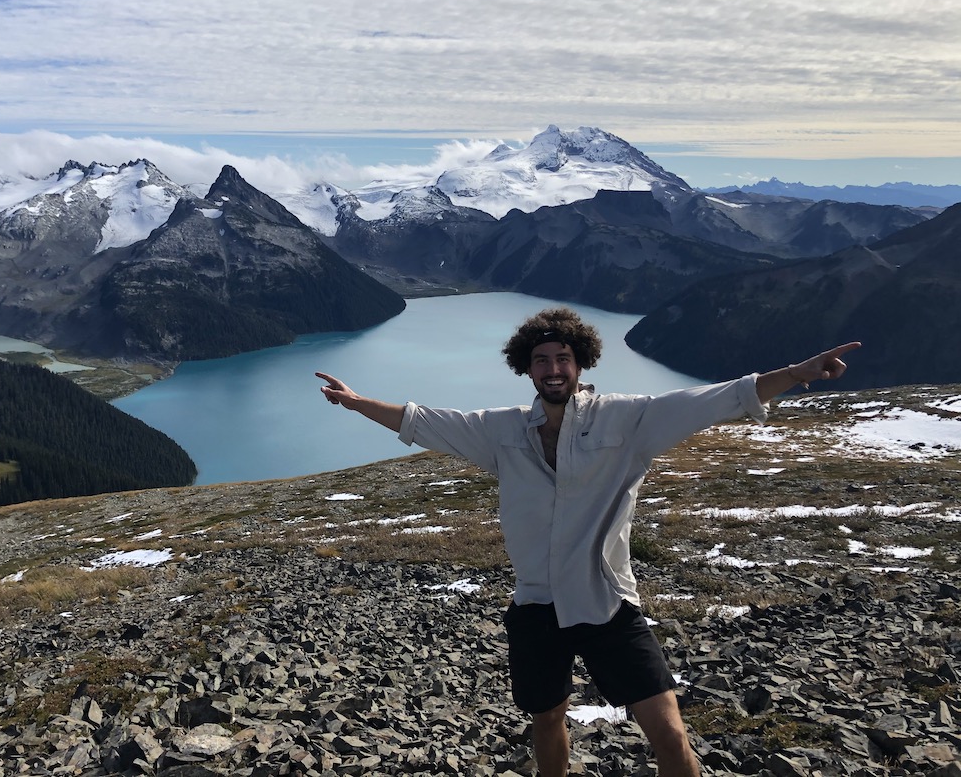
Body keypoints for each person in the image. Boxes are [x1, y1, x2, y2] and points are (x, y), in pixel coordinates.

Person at [316, 307, 860, 777]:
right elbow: (423, 422)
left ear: (580, 364)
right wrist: (356, 401)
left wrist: (795, 373)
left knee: (669, 735)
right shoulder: (501, 430)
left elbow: (717, 400)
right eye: (541, 361)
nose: (553, 370)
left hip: (607, 604)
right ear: (525, 368)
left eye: (563, 359)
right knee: (547, 718)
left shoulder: (629, 419)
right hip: (535, 605)